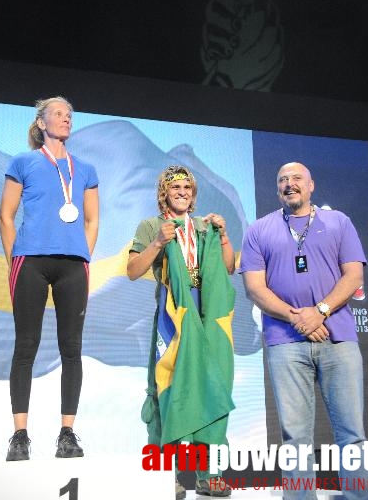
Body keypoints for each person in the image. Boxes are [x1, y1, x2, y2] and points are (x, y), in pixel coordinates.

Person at [240, 162, 368, 500]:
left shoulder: (338, 222)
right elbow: (255, 288)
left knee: (351, 433)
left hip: (338, 338)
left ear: (311, 185)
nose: (290, 184)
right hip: (286, 343)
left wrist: (320, 312)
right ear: (277, 190)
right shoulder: (259, 229)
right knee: (295, 435)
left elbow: (354, 276)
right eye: (283, 180)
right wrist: (298, 318)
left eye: (296, 178)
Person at [0, 96, 99, 461]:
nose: (66, 118)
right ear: (42, 123)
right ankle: (20, 436)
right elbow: (6, 216)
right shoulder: (23, 162)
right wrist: (15, 262)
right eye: (58, 113)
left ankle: (67, 434)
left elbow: (91, 220)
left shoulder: (85, 169)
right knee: (26, 345)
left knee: (71, 348)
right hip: (31, 262)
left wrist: (81, 253)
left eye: (70, 114)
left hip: (73, 265)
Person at [127, 165, 236, 500]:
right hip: (173, 316)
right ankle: (167, 475)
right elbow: (133, 270)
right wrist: (159, 242)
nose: (183, 192)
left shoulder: (205, 226)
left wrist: (225, 236)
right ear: (164, 192)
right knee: (166, 390)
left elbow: (229, 267)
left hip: (209, 315)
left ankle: (210, 474)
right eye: (176, 187)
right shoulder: (150, 226)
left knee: (212, 390)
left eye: (188, 188)